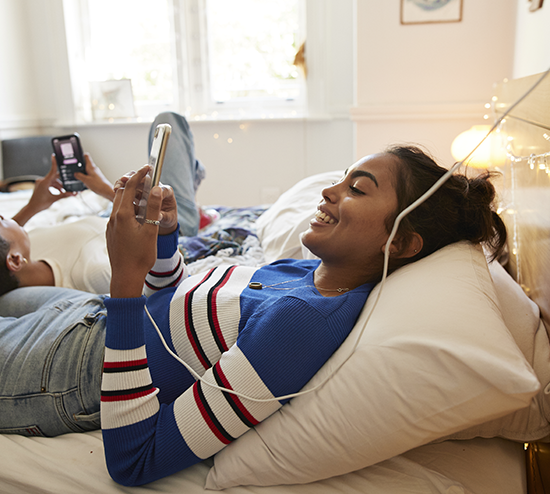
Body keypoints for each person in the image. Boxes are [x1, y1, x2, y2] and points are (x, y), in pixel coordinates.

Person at [0, 143, 507, 487]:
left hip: (66, 371)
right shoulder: (306, 271)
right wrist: (163, 246)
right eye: (342, 180)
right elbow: (173, 314)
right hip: (88, 316)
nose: (330, 192)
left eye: (358, 189)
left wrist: (125, 282)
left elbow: (135, 459)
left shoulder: (299, 326)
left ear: (400, 242)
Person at [0, 112, 207, 295]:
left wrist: (34, 205)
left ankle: (193, 191)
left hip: (109, 214)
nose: (5, 217)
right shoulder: (92, 272)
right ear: (15, 260)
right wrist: (110, 191)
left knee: (184, 162)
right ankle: (192, 205)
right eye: (1, 221)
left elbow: (6, 243)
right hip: (163, 226)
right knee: (169, 120)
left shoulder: (22, 254)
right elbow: (157, 274)